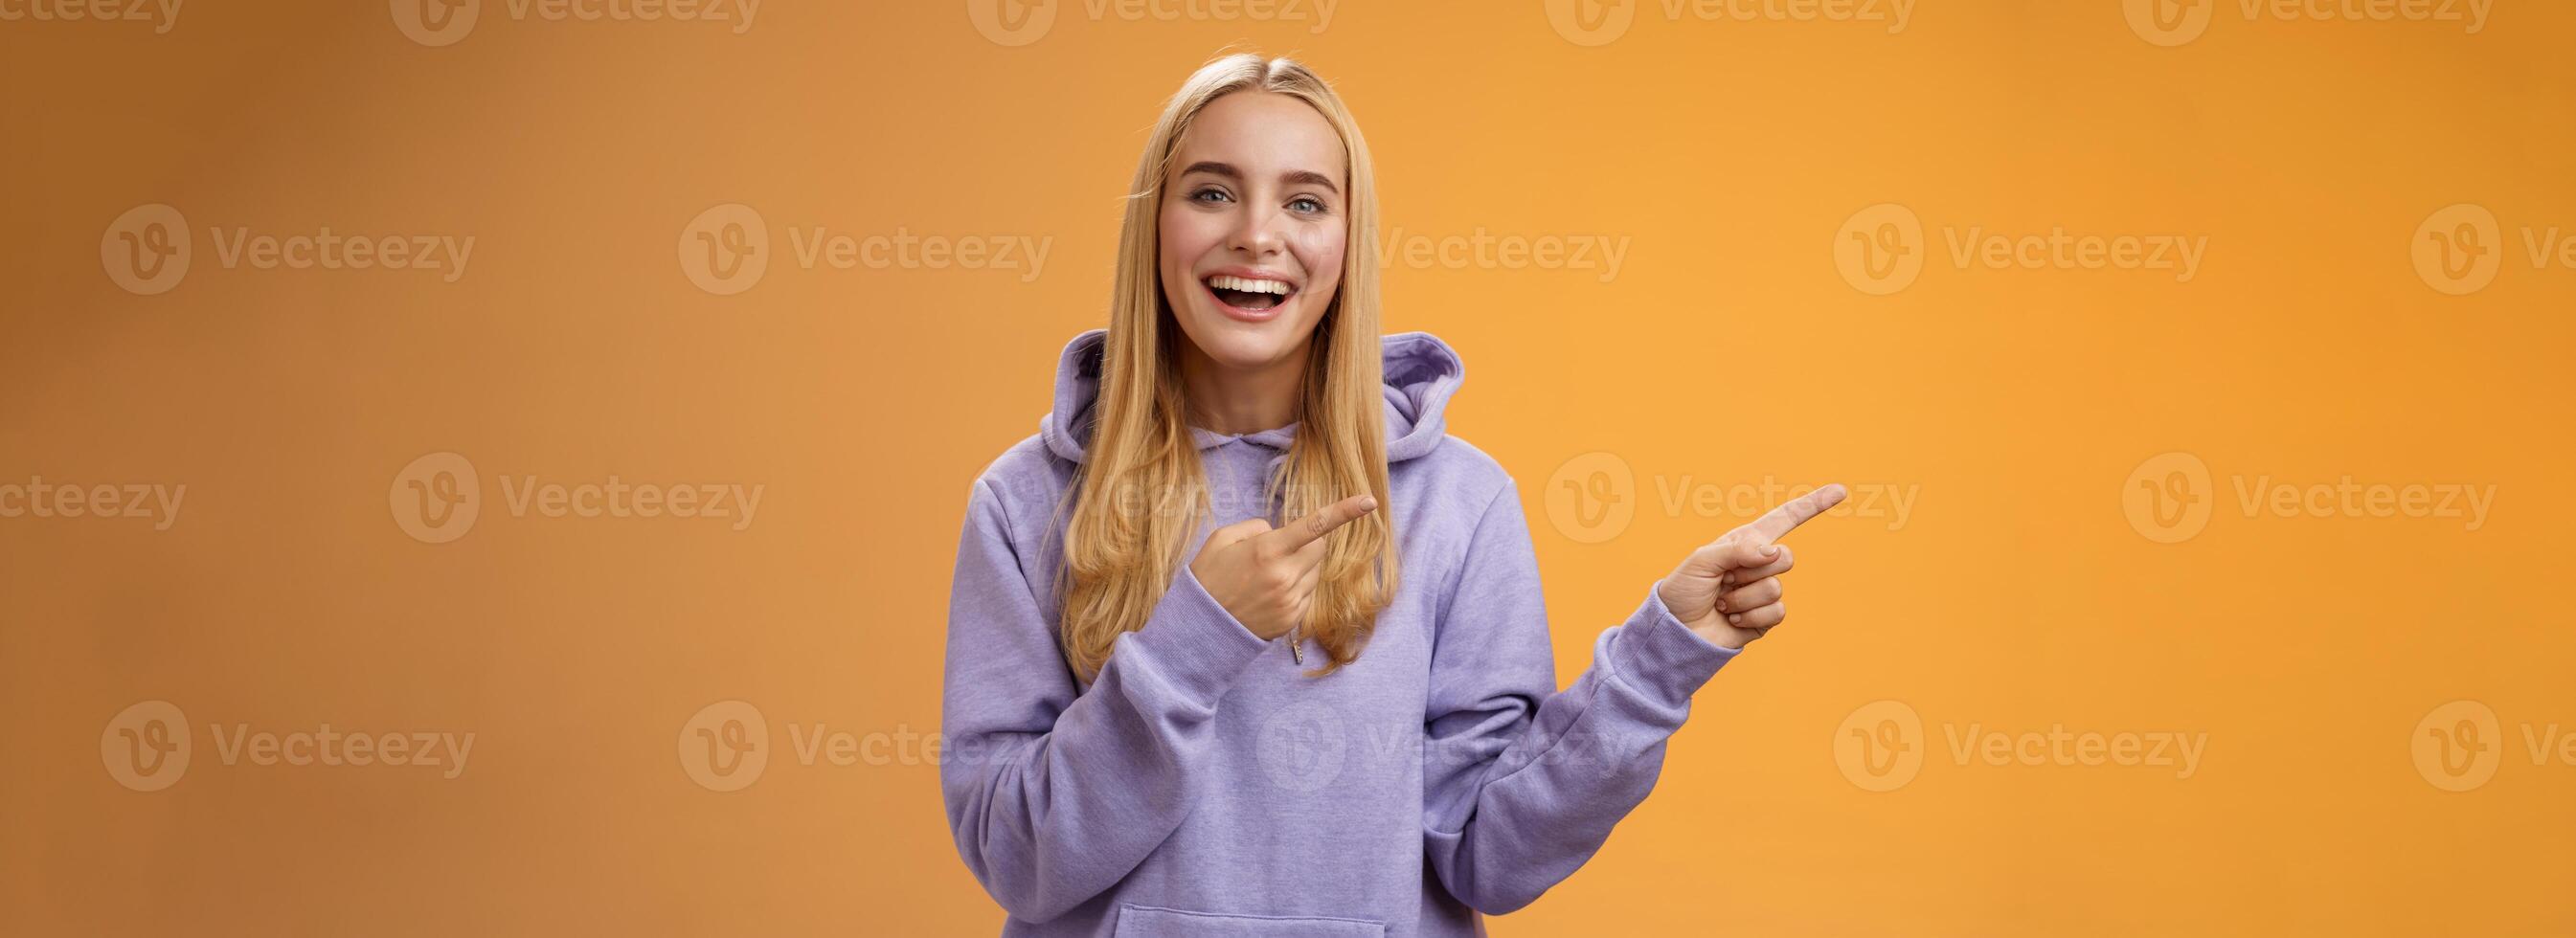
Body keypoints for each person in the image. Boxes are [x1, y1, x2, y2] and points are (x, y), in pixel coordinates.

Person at [941, 51, 1845, 936]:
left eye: (1304, 201)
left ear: (1347, 243)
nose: (1258, 234)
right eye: (1212, 191)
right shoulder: (1026, 503)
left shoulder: (1459, 501)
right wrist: (1189, 647)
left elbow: (1489, 856)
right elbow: (1017, 858)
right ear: (1155, 225)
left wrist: (1661, 660)